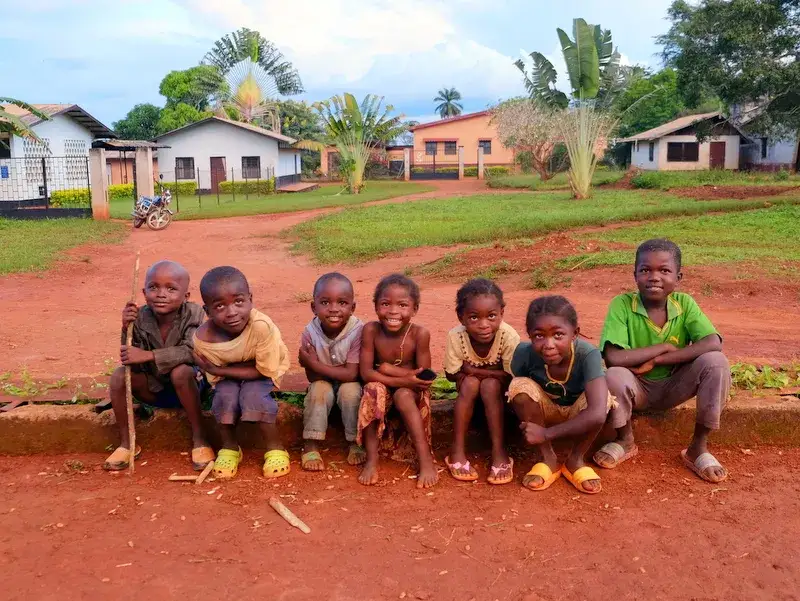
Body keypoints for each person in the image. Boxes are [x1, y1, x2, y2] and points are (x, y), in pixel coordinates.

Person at [594, 239, 730, 483]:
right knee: (613, 374)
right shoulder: (622, 305)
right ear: (634, 275)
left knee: (716, 362)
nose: (654, 277)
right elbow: (613, 357)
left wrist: (659, 359)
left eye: (664, 270)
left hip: (675, 385)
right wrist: (663, 346)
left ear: (678, 276)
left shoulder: (684, 304)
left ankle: (698, 447)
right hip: (636, 388)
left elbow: (712, 342)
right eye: (645, 270)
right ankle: (624, 439)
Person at [103, 260, 213, 472]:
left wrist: (149, 355)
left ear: (186, 296)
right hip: (153, 390)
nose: (161, 294)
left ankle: (200, 438)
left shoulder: (195, 313)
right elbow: (129, 354)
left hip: (190, 389)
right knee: (118, 376)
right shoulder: (140, 316)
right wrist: (125, 327)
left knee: (181, 372)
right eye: (154, 288)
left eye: (171, 289)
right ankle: (127, 444)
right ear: (144, 292)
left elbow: (191, 351)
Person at [192, 266, 291, 480]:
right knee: (225, 397)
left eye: (239, 302)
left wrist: (216, 369)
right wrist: (219, 372)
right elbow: (217, 379)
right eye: (220, 306)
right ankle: (229, 448)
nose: (232, 312)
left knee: (253, 395)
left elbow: (265, 369)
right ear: (207, 311)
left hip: (263, 371)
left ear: (250, 299)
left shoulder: (261, 326)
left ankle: (275, 448)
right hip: (227, 376)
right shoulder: (203, 340)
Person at [509, 295, 614, 494]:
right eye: (539, 336)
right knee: (519, 387)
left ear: (575, 334)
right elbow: (522, 401)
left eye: (558, 335)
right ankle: (548, 458)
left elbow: (597, 413)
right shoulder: (524, 354)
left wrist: (546, 433)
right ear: (530, 335)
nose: (548, 344)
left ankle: (575, 459)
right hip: (546, 410)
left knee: (604, 399)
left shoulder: (588, 354)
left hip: (578, 411)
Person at [356, 274, 437, 488]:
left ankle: (425, 459)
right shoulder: (371, 330)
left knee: (402, 395)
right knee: (373, 389)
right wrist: (402, 376)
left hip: (411, 392)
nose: (393, 312)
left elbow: (423, 377)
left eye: (402, 305)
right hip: (385, 386)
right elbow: (366, 373)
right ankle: (372, 459)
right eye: (385, 304)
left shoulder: (419, 334)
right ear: (375, 306)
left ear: (415, 309)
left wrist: (386, 368)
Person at [444, 278, 520, 484]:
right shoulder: (456, 336)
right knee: (470, 384)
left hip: (498, 392)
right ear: (461, 317)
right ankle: (457, 451)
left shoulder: (509, 336)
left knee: (489, 385)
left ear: (502, 314)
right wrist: (474, 373)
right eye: (474, 317)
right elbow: (451, 374)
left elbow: (511, 376)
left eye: (492, 316)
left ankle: (499, 451)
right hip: (468, 388)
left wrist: (472, 370)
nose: (484, 325)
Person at [299, 272, 365, 471]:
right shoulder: (309, 333)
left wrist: (316, 364)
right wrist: (337, 371)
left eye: (342, 303)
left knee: (351, 391)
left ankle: (356, 442)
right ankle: (311, 443)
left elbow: (352, 374)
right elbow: (311, 377)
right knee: (318, 390)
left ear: (352, 308)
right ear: (313, 307)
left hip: (351, 382)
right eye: (325, 302)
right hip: (321, 382)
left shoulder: (359, 331)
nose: (334, 309)